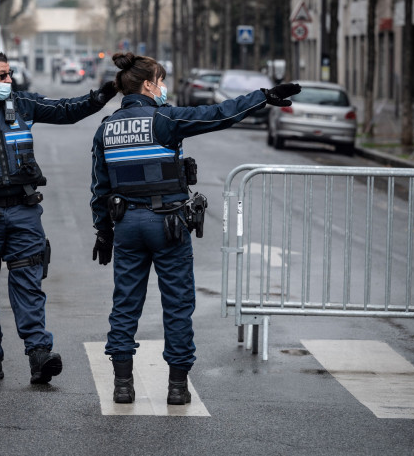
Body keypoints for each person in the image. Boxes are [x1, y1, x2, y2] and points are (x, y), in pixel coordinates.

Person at [89, 52, 299, 404]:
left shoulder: (106, 128)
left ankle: (122, 385)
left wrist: (104, 231)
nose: (164, 86)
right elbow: (219, 114)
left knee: (125, 305)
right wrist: (262, 97)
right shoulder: (165, 118)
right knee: (177, 304)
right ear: (148, 84)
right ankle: (176, 387)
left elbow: (99, 188)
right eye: (160, 79)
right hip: (167, 224)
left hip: (126, 224)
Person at [0, 50, 117, 385]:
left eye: (9, 74)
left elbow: (66, 111)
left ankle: (39, 355)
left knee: (28, 282)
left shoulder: (23, 105)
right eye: (1, 75)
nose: (8, 81)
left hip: (23, 210)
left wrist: (101, 96)